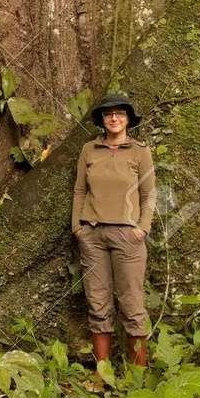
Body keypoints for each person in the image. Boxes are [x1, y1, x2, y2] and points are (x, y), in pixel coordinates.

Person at [71, 93, 155, 369]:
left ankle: (139, 373)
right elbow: (80, 190)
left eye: (120, 113)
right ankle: (102, 374)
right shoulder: (89, 150)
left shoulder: (140, 152)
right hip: (92, 235)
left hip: (128, 237)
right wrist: (77, 228)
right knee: (97, 303)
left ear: (128, 119)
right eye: (109, 114)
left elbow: (149, 194)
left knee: (132, 304)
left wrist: (142, 229)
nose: (114, 118)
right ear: (102, 120)